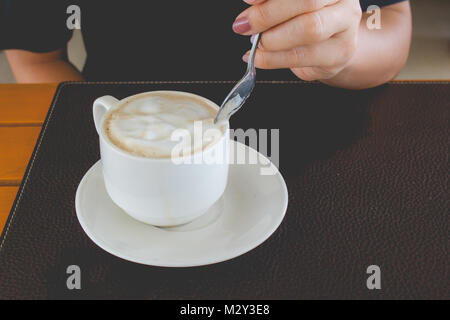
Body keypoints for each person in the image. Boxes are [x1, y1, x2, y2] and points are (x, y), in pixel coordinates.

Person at [1, 0, 411, 89]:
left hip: (317, 139)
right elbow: (36, 58)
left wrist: (346, 52)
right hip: (123, 143)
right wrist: (115, 136)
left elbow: (391, 20)